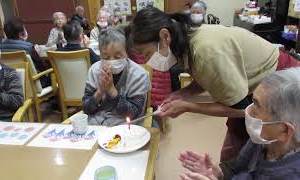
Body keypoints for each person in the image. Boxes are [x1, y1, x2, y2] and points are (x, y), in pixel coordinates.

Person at [128, 7, 300, 161]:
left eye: (148, 53)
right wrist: (182, 93)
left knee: (267, 150)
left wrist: (187, 106)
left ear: (165, 36)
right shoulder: (186, 42)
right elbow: (208, 77)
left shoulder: (204, 51)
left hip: (281, 82)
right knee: (238, 150)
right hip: (252, 89)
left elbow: (241, 109)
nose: (148, 61)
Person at [179, 68, 300, 180]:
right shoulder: (263, 139)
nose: (249, 111)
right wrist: (219, 173)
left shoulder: (291, 175)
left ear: (284, 131)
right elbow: (239, 167)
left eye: (257, 106)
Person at [82, 27, 150, 126]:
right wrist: (100, 92)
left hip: (125, 126)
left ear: (127, 53)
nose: (112, 61)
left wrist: (112, 91)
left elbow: (134, 112)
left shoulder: (139, 75)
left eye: (118, 57)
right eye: (106, 57)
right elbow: (86, 108)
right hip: (96, 125)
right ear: (100, 55)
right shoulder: (94, 70)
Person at [0, 17, 50, 87]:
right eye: (25, 29)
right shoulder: (28, 47)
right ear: (21, 34)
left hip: (11, 85)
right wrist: (36, 52)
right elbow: (42, 67)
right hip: (32, 85)